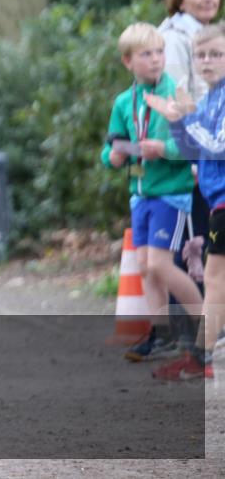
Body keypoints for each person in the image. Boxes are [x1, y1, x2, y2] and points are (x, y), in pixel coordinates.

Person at [100, 23, 204, 362]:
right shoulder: (122, 103)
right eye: (146, 54)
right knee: (145, 266)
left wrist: (162, 148)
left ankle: (209, 327)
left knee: (160, 264)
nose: (156, 59)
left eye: (159, 52)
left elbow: (193, 146)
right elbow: (110, 149)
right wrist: (113, 157)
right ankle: (161, 335)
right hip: (140, 194)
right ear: (128, 61)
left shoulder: (178, 93)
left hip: (172, 193)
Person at [145, 23, 225, 380]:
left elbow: (218, 145)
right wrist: (177, 122)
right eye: (201, 55)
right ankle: (202, 355)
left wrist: (183, 118)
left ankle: (201, 356)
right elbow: (195, 148)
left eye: (216, 54)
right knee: (217, 277)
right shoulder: (209, 98)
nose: (207, 61)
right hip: (216, 202)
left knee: (215, 277)